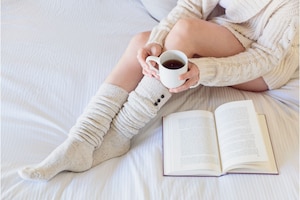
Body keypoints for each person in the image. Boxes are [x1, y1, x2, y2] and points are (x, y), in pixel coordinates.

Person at [18, 0, 299, 181]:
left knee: (186, 33)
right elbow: (190, 6)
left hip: (264, 66)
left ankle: (120, 134)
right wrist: (155, 42)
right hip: (229, 34)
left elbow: (264, 59)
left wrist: (205, 70)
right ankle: (82, 139)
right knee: (140, 41)